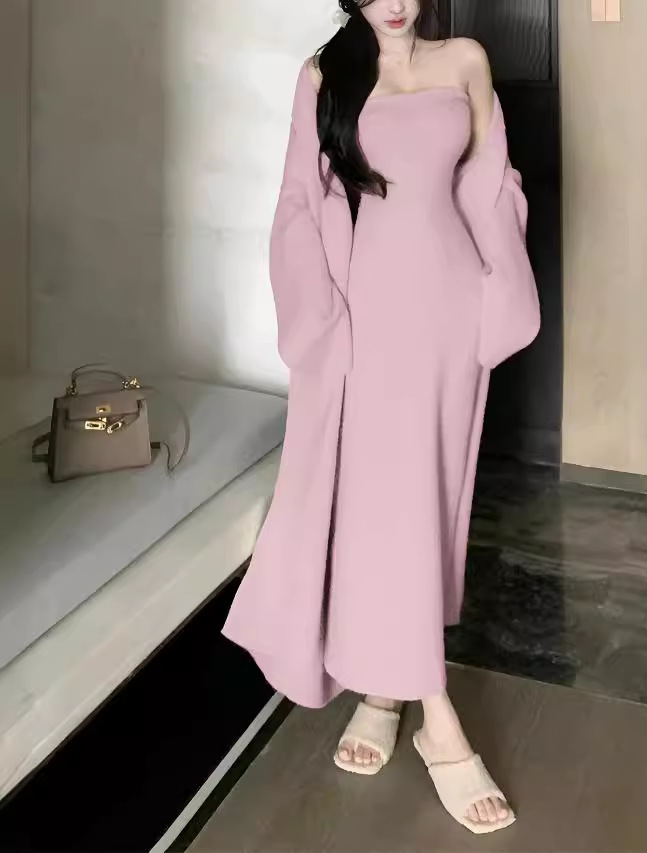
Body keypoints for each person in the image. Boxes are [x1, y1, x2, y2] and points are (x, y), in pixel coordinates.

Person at [223, 0, 539, 835]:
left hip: (449, 311)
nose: (393, 2)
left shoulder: (464, 60)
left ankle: (382, 689)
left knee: (427, 500)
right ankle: (438, 719)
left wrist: (497, 294)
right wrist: (323, 322)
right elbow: (300, 200)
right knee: (380, 508)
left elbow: (489, 183)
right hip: (368, 315)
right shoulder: (325, 76)